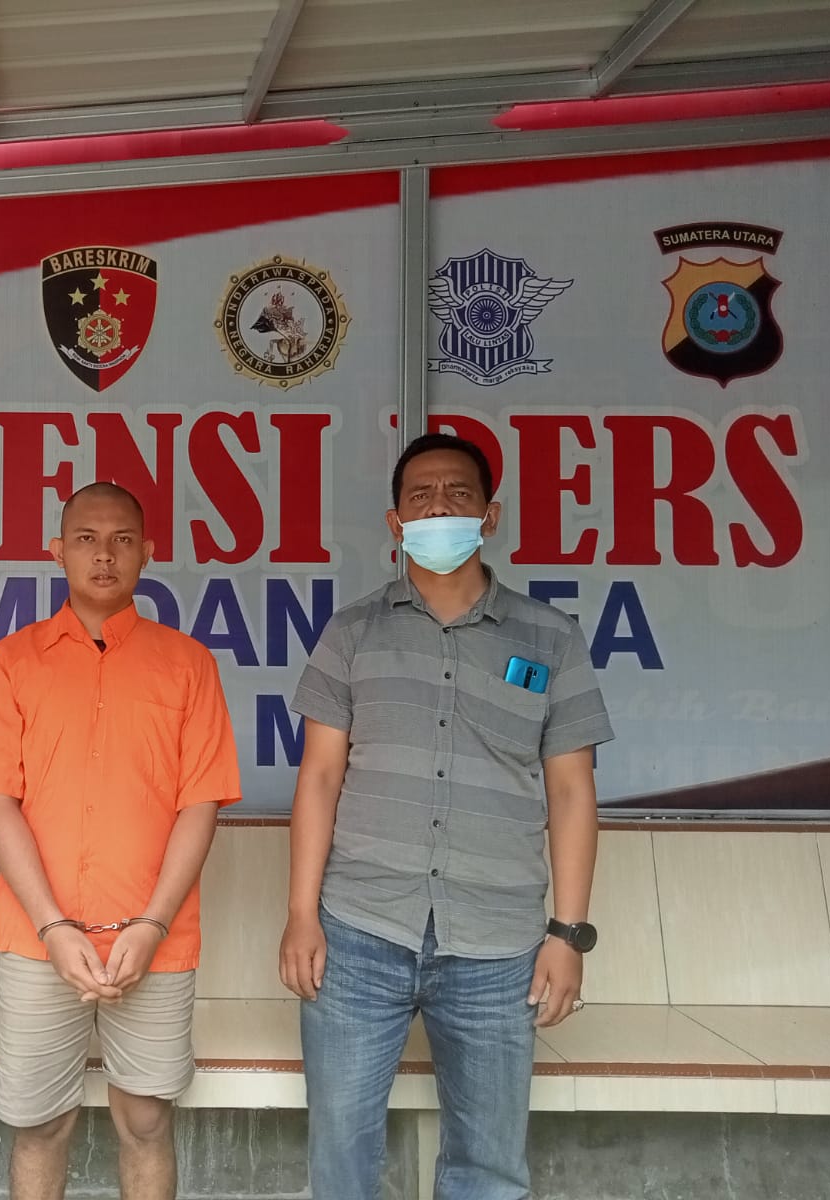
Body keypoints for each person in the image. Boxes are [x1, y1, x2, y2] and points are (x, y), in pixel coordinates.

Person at [279, 433, 614, 1200]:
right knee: (341, 1157)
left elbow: (572, 792)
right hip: (358, 934)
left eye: (458, 494)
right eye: (421, 496)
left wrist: (567, 935)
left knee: (488, 1167)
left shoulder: (550, 638)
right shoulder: (351, 632)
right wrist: (300, 915)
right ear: (395, 522)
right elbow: (320, 777)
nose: (439, 508)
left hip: (499, 945)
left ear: (490, 515)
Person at [0, 481, 241, 1200]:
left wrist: (152, 925)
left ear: (147, 553)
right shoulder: (13, 661)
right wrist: (53, 927)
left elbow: (201, 804)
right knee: (40, 1124)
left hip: (154, 939)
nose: (104, 555)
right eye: (86, 539)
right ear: (57, 551)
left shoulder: (188, 663)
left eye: (121, 540)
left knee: (145, 1119)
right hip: (39, 939)